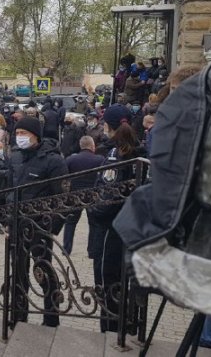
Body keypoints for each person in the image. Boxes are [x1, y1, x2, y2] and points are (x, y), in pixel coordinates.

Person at [87, 104, 145, 332]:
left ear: (109, 125)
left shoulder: (116, 153)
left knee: (107, 281)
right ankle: (126, 326)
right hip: (128, 228)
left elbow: (108, 194)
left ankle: (112, 329)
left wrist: (92, 209)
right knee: (122, 282)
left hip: (111, 229)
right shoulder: (137, 150)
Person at [7, 116, 68, 327]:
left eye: (23, 133)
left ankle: (51, 318)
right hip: (17, 224)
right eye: (17, 133)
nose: (19, 137)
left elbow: (63, 198)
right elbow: (8, 189)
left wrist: (51, 227)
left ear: (36, 135)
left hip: (39, 227)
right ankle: (18, 315)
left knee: (43, 271)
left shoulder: (53, 160)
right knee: (18, 273)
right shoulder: (15, 157)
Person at [62, 136, 104, 255]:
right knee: (94, 223)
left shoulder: (71, 159)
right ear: (92, 146)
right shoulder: (99, 159)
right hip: (92, 194)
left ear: (81, 146)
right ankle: (92, 250)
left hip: (75, 194)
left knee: (70, 222)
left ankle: (66, 249)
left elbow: (64, 176)